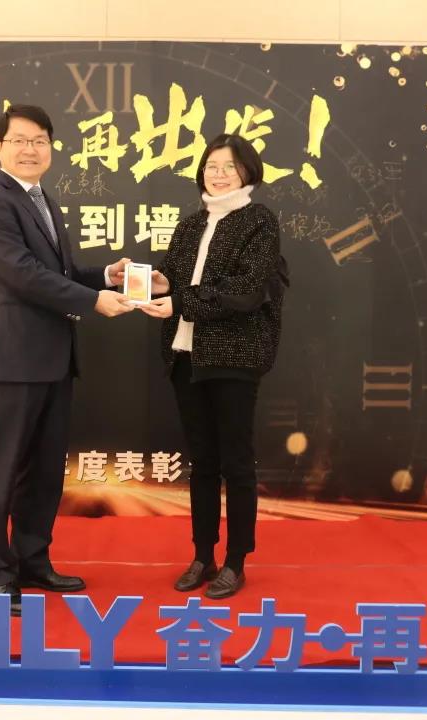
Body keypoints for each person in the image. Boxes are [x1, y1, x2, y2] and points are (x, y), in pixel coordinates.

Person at [0, 104, 133, 615]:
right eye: (19, 140)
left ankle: (32, 561)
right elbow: (22, 274)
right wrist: (93, 301)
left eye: (39, 140)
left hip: (55, 360)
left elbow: (58, 272)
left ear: (52, 149)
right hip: (12, 359)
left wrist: (105, 277)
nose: (30, 149)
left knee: (43, 474)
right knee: (0, 474)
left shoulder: (44, 201)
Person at [139, 134, 286, 599]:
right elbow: (173, 277)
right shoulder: (191, 224)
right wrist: (151, 282)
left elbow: (245, 290)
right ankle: (203, 555)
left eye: (228, 167)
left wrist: (180, 301)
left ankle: (236, 561)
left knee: (236, 463)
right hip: (186, 356)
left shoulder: (258, 221)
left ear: (247, 172)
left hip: (234, 357)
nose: (217, 174)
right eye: (211, 166)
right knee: (202, 462)